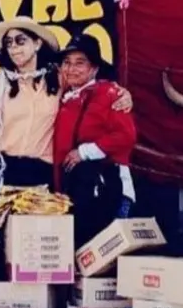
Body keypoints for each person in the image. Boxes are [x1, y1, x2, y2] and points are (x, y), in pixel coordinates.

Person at [0, 17, 132, 204]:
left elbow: (90, 82)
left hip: (40, 172)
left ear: (37, 43)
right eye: (8, 43)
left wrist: (122, 94)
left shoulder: (58, 77)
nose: (14, 47)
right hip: (1, 169)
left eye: (20, 40)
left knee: (39, 224)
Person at [54, 34, 137, 246]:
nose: (71, 69)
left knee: (103, 256)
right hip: (73, 194)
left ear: (94, 68)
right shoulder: (64, 99)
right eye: (67, 62)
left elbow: (126, 136)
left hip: (108, 190)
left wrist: (84, 152)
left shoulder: (109, 93)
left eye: (80, 63)